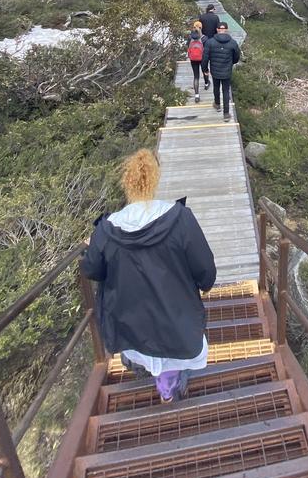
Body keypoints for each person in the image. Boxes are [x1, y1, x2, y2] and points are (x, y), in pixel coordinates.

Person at [81, 149, 216, 403]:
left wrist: (96, 246)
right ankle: (169, 388)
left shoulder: (107, 229)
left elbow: (91, 270)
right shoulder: (180, 219)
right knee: (172, 345)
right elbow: (205, 270)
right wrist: (204, 285)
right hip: (174, 318)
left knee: (146, 344)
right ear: (155, 179)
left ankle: (150, 373)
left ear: (126, 182)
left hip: (131, 322)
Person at [201, 21, 240, 122]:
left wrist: (205, 69)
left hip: (215, 70)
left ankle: (217, 104)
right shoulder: (233, 43)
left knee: (216, 87)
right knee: (226, 91)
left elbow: (205, 58)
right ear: (226, 29)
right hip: (227, 70)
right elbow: (236, 58)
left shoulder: (210, 42)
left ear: (217, 29)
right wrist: (231, 63)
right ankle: (226, 114)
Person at [186, 21, 210, 102]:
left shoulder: (190, 37)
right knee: (205, 71)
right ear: (201, 28)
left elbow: (187, 46)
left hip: (193, 59)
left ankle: (196, 95)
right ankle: (206, 84)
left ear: (193, 27)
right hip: (202, 59)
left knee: (196, 76)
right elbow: (207, 50)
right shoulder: (204, 38)